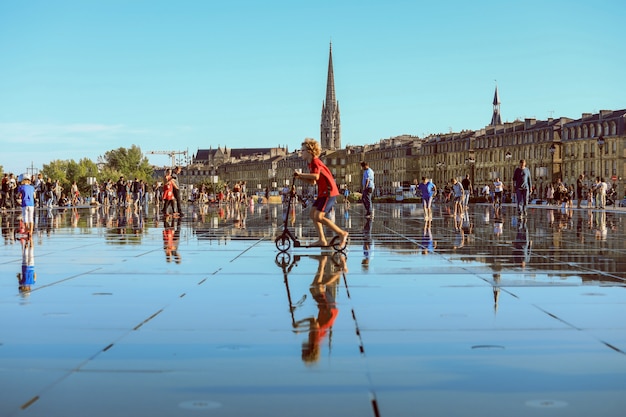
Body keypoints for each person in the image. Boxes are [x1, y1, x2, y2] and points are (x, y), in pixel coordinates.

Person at [293, 138, 348, 248]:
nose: (300, 152)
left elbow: (315, 176)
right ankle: (322, 240)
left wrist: (300, 174)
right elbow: (313, 181)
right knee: (312, 214)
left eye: (302, 150)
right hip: (322, 193)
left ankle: (342, 233)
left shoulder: (315, 162)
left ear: (309, 151)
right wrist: (300, 177)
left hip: (328, 192)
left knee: (318, 216)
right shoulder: (310, 163)